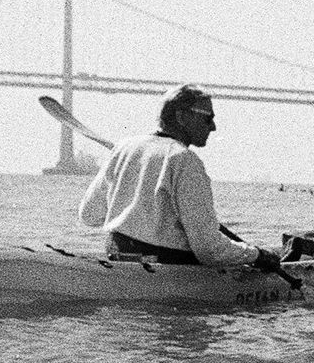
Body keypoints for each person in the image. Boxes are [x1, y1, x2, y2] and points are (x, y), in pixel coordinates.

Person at [77, 85, 282, 274]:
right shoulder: (185, 160)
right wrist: (257, 255)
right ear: (182, 117)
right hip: (166, 268)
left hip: (117, 256)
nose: (213, 127)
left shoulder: (124, 147)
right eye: (208, 118)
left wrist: (138, 219)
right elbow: (209, 250)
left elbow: (89, 215)